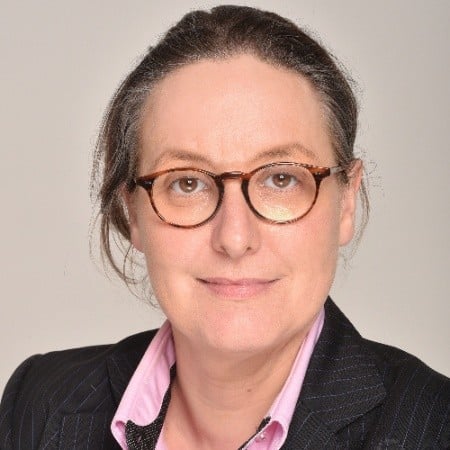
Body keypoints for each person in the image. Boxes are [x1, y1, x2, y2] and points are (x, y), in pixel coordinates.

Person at [0, 5, 448, 449]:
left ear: (346, 202)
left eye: (281, 178)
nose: (234, 238)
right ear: (132, 212)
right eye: (187, 183)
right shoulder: (37, 402)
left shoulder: (435, 426)